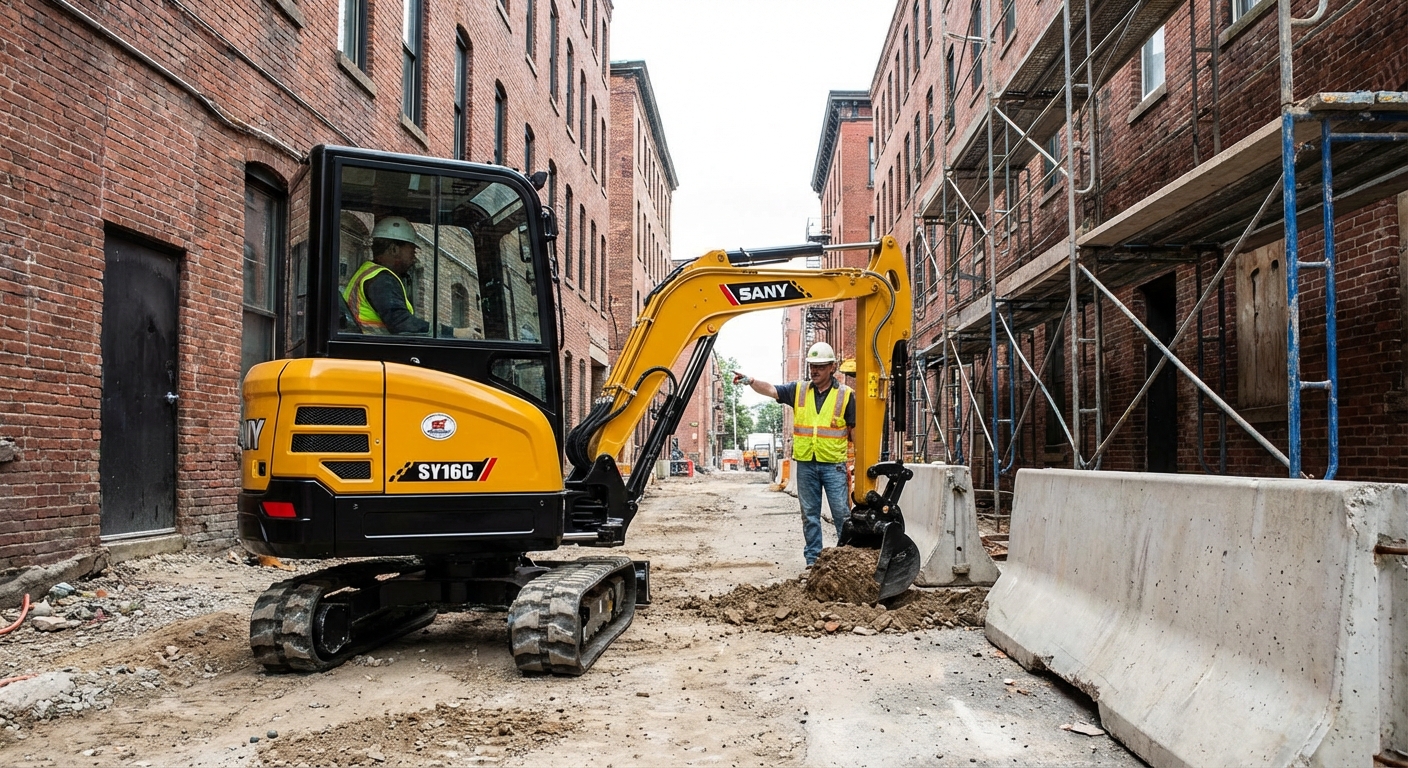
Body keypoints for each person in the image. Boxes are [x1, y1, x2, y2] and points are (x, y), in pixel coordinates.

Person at [734, 341, 855, 567]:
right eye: (812, 366)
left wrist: (857, 462)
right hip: (807, 465)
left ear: (832, 367)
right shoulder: (799, 390)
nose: (814, 370)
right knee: (810, 515)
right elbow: (771, 390)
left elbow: (854, 430)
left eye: (820, 366)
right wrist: (750, 381)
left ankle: (845, 562)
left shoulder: (846, 395)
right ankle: (813, 561)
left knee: (842, 515)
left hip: (833, 465)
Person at [342, 216, 430, 335]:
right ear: (394, 249)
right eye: (412, 251)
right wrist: (449, 332)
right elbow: (402, 323)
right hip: (373, 350)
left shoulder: (369, 272)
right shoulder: (381, 280)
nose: (414, 258)